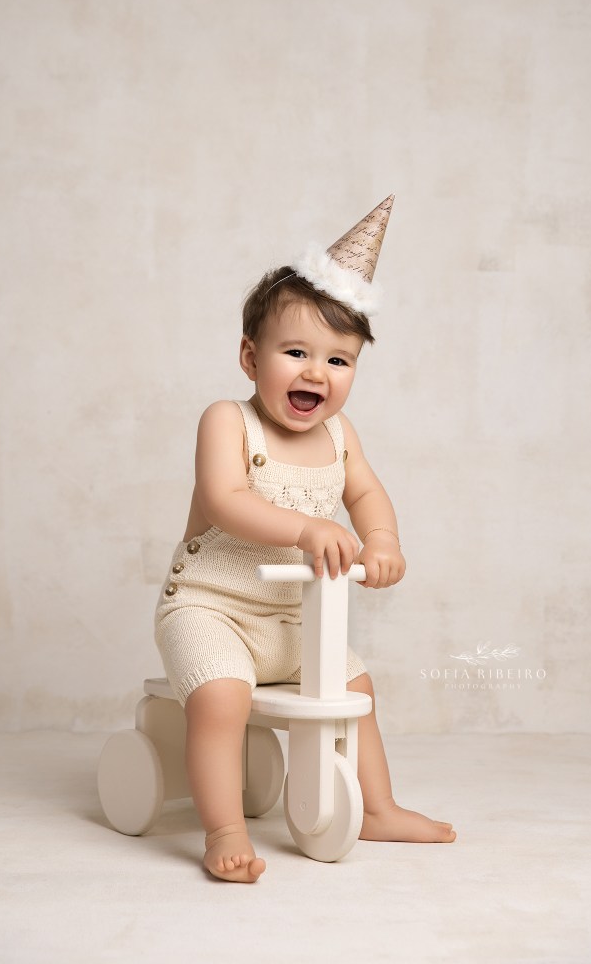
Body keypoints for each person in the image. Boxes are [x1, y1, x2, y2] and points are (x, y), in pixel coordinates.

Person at [155, 195, 456, 883]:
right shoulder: (227, 422)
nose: (316, 374)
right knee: (222, 696)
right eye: (295, 353)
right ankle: (224, 828)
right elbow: (228, 502)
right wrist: (306, 526)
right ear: (248, 355)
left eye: (338, 361)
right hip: (211, 609)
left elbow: (367, 495)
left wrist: (380, 539)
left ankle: (375, 807)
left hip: (294, 619)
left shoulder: (338, 436)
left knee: (356, 686)